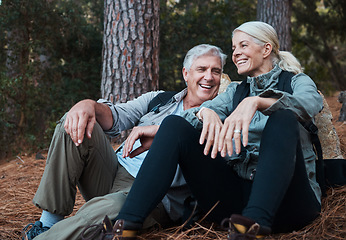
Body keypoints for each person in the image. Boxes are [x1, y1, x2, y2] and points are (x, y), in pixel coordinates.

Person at [84, 21, 324, 240]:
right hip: (236, 202)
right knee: (175, 124)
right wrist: (204, 112)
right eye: (234, 47)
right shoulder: (235, 92)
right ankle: (125, 227)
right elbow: (190, 117)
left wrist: (258, 102)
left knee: (282, 119)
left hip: (292, 201)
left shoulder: (296, 82)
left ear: (266, 49)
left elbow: (310, 104)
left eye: (243, 45)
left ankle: (254, 225)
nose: (236, 52)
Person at [21, 44, 227, 240]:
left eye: (216, 71)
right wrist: (87, 105)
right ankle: (48, 223)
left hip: (156, 199)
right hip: (115, 172)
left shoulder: (220, 116)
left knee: (110, 209)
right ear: (186, 73)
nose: (208, 77)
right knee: (74, 120)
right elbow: (116, 117)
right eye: (201, 69)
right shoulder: (160, 100)